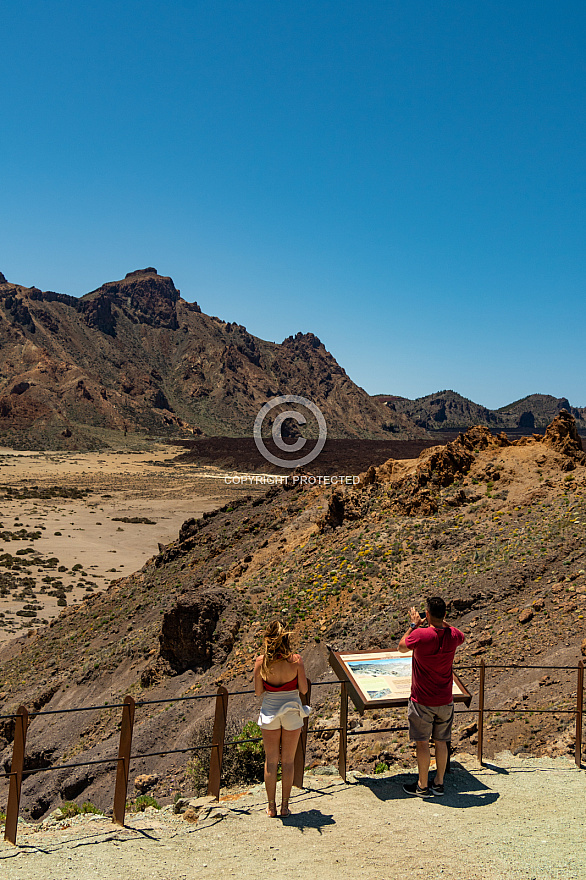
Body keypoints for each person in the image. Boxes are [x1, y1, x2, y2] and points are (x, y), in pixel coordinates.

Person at [398, 596, 465, 798]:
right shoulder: (453, 635)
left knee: (422, 743)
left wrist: (413, 625)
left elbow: (401, 646)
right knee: (442, 741)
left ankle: (422, 785)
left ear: (427, 614)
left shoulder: (421, 635)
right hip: (445, 699)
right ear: (445, 615)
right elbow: (461, 634)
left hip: (422, 700)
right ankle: (439, 783)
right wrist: (440, 621)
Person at [254, 620, 310, 817]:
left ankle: (271, 807)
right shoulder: (296, 661)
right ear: (287, 638)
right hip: (292, 711)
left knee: (271, 761)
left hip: (270, 710)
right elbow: (303, 689)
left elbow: (258, 691)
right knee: (287, 761)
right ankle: (285, 806)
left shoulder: (261, 662)